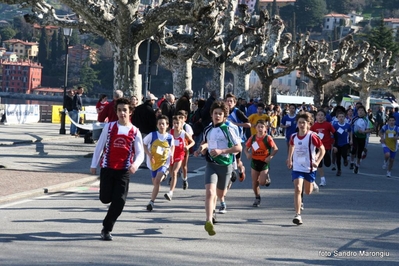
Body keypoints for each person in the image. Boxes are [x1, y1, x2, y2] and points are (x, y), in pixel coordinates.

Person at [90, 98, 144, 241]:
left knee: (119, 201)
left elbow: (140, 153)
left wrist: (135, 165)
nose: (122, 113)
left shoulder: (135, 131)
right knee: (105, 198)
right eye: (119, 110)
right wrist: (94, 164)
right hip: (107, 167)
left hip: (124, 170)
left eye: (125, 110)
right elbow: (100, 145)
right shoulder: (110, 127)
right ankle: (108, 214)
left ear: (130, 112)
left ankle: (107, 228)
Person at [194, 101, 241, 236]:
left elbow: (238, 148)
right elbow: (205, 143)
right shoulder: (208, 128)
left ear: (224, 116)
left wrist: (222, 151)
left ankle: (229, 181)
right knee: (209, 192)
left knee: (220, 194)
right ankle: (209, 220)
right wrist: (200, 149)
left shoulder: (229, 128)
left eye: (220, 114)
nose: (217, 116)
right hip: (211, 165)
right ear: (212, 114)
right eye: (215, 113)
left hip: (225, 165)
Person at [286, 112, 325, 225]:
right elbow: (292, 146)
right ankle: (298, 215)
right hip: (297, 167)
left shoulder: (312, 136)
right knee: (298, 189)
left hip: (309, 168)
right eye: (299, 123)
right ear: (297, 124)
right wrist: (289, 159)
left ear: (308, 124)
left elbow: (322, 149)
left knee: (307, 192)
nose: (301, 125)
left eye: (304, 123)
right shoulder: (293, 136)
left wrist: (317, 161)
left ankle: (313, 184)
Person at [143, 115, 174, 211]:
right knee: (155, 183)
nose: (161, 126)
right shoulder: (152, 135)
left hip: (164, 162)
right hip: (153, 163)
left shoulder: (169, 137)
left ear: (167, 125)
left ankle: (151, 202)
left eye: (163, 124)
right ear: (157, 125)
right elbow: (143, 143)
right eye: (159, 124)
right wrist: (148, 154)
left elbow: (172, 146)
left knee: (157, 181)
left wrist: (171, 155)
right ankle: (165, 175)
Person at [244, 119, 278, 207]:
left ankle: (266, 177)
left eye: (262, 127)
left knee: (262, 182)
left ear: (265, 128)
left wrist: (270, 156)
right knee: (255, 182)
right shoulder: (252, 138)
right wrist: (247, 154)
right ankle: (257, 197)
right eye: (258, 127)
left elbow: (275, 149)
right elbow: (246, 148)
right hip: (254, 162)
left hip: (264, 162)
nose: (260, 129)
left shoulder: (268, 138)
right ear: (255, 128)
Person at [166, 115, 195, 200]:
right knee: (171, 173)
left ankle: (170, 192)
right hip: (171, 154)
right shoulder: (170, 132)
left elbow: (193, 142)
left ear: (181, 124)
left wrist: (188, 147)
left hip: (180, 154)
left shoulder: (183, 133)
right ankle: (173, 183)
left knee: (175, 172)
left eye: (177, 123)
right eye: (174, 123)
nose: (175, 125)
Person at [225, 93, 250, 185]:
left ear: (235, 103)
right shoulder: (222, 112)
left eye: (231, 101)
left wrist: (235, 125)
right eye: (227, 101)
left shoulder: (237, 112)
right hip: (226, 141)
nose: (229, 103)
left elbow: (248, 124)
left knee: (238, 161)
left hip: (237, 141)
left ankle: (241, 169)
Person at [310, 109, 336, 187]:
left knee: (327, 164)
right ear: (316, 117)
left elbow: (335, 134)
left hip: (327, 147)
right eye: (318, 115)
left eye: (322, 115)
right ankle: (322, 179)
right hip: (317, 147)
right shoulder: (314, 126)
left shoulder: (328, 125)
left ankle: (328, 161)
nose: (320, 117)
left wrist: (335, 145)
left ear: (324, 117)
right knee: (319, 163)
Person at [350, 106, 373, 174]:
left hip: (362, 138)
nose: (360, 112)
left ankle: (357, 165)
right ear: (357, 112)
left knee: (359, 152)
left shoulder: (367, 120)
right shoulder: (354, 119)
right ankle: (351, 162)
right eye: (359, 110)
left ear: (364, 112)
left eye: (362, 110)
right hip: (355, 136)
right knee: (354, 149)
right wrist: (351, 139)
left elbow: (371, 129)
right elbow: (351, 129)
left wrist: (364, 132)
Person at [332, 111, 351, 176]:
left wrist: (351, 140)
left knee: (344, 154)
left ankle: (345, 159)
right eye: (339, 117)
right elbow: (332, 133)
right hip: (337, 143)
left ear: (344, 117)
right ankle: (339, 170)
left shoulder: (347, 125)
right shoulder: (335, 125)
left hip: (345, 143)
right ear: (337, 118)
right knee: (338, 157)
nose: (341, 118)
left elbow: (350, 132)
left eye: (342, 117)